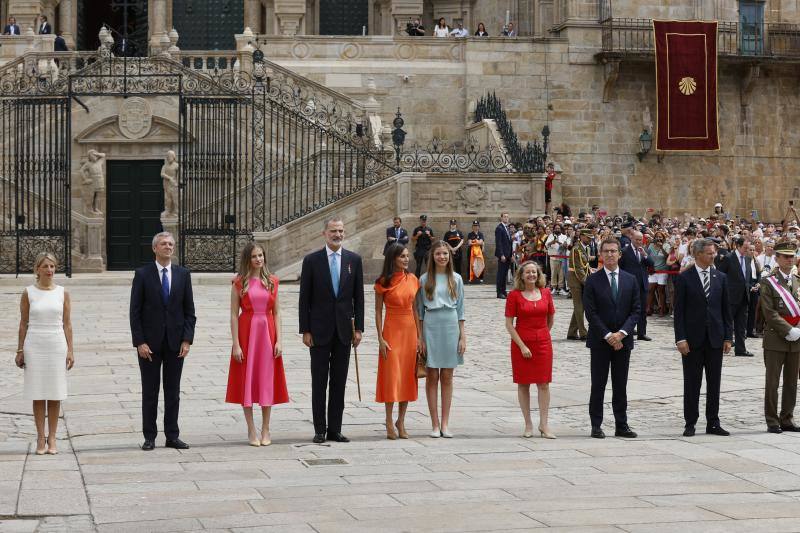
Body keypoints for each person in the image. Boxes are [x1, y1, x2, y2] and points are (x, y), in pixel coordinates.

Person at [299, 217, 365, 444]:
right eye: (333, 231)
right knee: (319, 381)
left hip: (344, 331)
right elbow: (304, 299)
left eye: (341, 230)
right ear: (324, 234)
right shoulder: (312, 261)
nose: (338, 234)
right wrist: (305, 330)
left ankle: (335, 429)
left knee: (339, 381)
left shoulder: (353, 260)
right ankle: (319, 429)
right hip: (319, 330)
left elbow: (359, 298)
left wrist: (359, 329)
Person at [130, 232, 197, 451]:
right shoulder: (142, 274)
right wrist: (140, 342)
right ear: (155, 248)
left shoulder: (183, 274)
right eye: (163, 244)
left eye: (170, 244)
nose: (168, 247)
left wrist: (187, 340)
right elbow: (135, 312)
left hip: (175, 344)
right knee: (150, 392)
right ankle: (149, 436)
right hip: (149, 344)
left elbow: (189, 311)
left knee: (173, 392)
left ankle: (172, 435)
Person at [226, 243, 289, 447]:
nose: (259, 259)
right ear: (248, 259)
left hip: (268, 334)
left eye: (261, 255)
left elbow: (278, 312)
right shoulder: (239, 282)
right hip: (247, 333)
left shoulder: (273, 281)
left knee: (266, 381)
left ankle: (266, 428)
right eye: (254, 256)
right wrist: (236, 344)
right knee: (247, 380)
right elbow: (234, 315)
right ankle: (251, 428)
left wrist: (279, 340)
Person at [15, 252, 74, 455]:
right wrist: (20, 349)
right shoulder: (28, 292)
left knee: (55, 393)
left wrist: (70, 350)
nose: (50, 270)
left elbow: (67, 324)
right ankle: (41, 437)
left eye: (52, 266)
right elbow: (23, 323)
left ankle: (53, 438)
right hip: (35, 344)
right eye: (46, 266)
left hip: (56, 344)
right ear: (37, 269)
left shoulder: (62, 292)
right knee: (38, 393)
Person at [583, 237, 641, 439]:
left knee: (620, 384)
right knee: (598, 384)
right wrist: (608, 335)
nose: (610, 254)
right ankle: (596, 425)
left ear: (619, 254)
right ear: (600, 255)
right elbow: (590, 313)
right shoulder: (592, 280)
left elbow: (636, 311)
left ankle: (621, 424)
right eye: (606, 251)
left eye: (613, 251)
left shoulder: (630, 279)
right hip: (600, 341)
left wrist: (621, 334)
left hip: (623, 342)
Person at [417, 241, 466, 438]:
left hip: (451, 323)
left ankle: (445, 423)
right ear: (433, 256)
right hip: (431, 323)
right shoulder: (424, 279)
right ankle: (434, 423)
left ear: (449, 256)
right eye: (438, 253)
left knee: (447, 376)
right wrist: (420, 337)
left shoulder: (456, 278)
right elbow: (419, 311)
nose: (442, 257)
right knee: (432, 376)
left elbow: (461, 309)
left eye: (445, 254)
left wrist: (463, 336)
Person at [504, 261, 556, 439]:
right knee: (523, 383)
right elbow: (509, 325)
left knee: (543, 383)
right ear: (521, 275)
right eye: (528, 272)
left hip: (543, 343)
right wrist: (522, 345)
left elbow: (550, 318)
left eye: (534, 272)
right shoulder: (514, 296)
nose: (531, 275)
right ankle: (528, 424)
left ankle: (544, 424)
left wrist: (542, 335)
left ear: (538, 274)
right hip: (521, 344)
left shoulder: (546, 293)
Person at [375, 244, 421, 440]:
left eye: (407, 256)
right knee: (392, 376)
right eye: (402, 256)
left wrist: (420, 337)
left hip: (410, 330)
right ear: (393, 258)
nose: (406, 259)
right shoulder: (383, 282)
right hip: (392, 330)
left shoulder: (413, 279)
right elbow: (378, 311)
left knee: (407, 377)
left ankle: (401, 420)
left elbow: (416, 309)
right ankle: (387, 420)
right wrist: (380, 338)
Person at [758, 242, 800, 433]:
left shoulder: (798, 280)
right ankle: (772, 420)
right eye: (785, 256)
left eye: (792, 256)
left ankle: (787, 418)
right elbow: (769, 312)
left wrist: (798, 329)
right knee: (772, 382)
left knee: (791, 381)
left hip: (797, 339)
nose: (789, 259)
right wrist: (788, 329)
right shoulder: (768, 282)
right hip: (776, 338)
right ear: (776, 258)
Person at [717, 236, 756, 357]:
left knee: (741, 324)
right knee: (727, 322)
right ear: (737, 246)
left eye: (748, 248)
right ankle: (719, 345)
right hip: (730, 296)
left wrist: (750, 287)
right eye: (745, 247)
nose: (747, 250)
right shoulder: (728, 258)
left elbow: (747, 277)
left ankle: (740, 349)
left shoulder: (748, 259)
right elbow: (720, 275)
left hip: (744, 296)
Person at [619, 231, 653, 341]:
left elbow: (651, 263)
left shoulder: (644, 250)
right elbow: (620, 268)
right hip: (629, 284)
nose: (639, 242)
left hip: (642, 284)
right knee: (628, 309)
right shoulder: (624, 251)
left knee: (643, 310)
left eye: (640, 240)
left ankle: (641, 333)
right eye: (637, 239)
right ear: (631, 238)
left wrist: (645, 255)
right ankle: (627, 330)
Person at [567, 229, 592, 340]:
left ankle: (572, 332)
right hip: (575, 279)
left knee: (579, 306)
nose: (590, 239)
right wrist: (587, 282)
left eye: (591, 237)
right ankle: (583, 332)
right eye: (588, 237)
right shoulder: (576, 249)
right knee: (579, 306)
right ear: (581, 236)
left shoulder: (585, 248)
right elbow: (578, 269)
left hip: (582, 279)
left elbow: (585, 266)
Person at [495, 213, 513, 299]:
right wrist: (501, 254)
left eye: (507, 216)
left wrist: (511, 254)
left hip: (508, 255)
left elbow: (509, 243)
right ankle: (499, 292)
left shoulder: (507, 228)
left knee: (505, 274)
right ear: (501, 218)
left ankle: (504, 291)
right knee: (501, 274)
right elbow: (499, 243)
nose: (506, 218)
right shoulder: (499, 228)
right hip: (503, 255)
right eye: (504, 217)